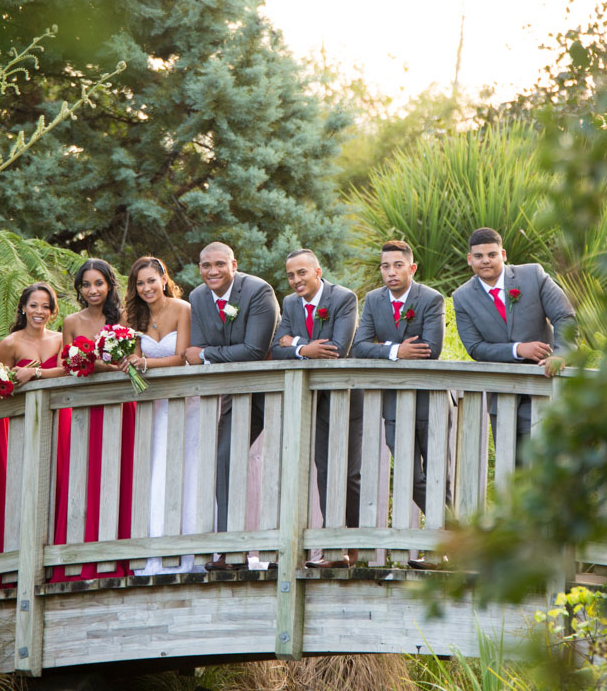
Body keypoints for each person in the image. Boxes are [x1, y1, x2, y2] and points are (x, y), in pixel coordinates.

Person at [182, 241, 280, 570]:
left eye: (219, 264)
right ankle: (229, 549)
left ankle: (278, 548)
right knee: (225, 458)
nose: (212, 271)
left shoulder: (258, 292)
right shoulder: (197, 297)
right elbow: (195, 346)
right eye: (206, 265)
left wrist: (209, 355)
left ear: (234, 265)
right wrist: (205, 352)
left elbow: (254, 350)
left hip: (273, 392)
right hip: (236, 396)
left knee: (281, 464)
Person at [452, 227, 576, 462]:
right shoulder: (462, 297)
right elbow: (476, 347)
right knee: (510, 469)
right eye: (478, 256)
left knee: (547, 465)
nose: (485, 261)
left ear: (504, 254)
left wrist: (562, 353)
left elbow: (564, 316)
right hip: (503, 397)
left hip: (545, 388)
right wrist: (517, 349)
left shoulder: (533, 275)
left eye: (492, 254)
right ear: (470, 260)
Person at [273, 248, 363, 567]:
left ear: (318, 271)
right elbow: (274, 347)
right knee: (324, 470)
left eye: (302, 273)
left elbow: (337, 348)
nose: (296, 280)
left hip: (346, 395)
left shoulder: (343, 299)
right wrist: (304, 348)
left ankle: (352, 547)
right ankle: (330, 547)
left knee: (350, 473)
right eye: (290, 275)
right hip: (313, 398)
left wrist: (294, 344)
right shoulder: (289, 303)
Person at [353, 239, 446, 517]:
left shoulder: (431, 299)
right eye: (385, 267)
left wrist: (382, 349)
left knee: (440, 477)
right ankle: (456, 533)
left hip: (432, 401)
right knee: (408, 474)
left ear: (412, 268)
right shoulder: (373, 300)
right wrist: (397, 350)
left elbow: (430, 349)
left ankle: (445, 549)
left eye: (397, 265)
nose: (391, 272)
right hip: (394, 400)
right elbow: (359, 347)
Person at [123, 256, 202, 577]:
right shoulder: (132, 316)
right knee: (155, 470)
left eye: (151, 281)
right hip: (152, 404)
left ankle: (192, 554)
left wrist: (143, 364)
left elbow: (181, 356)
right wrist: (131, 360)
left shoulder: (183, 309)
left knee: (188, 470)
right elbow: (130, 355)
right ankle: (154, 553)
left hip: (185, 403)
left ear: (164, 278)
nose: (146, 288)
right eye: (140, 283)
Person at [58, 258, 136, 580]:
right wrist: (90, 363)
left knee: (119, 475)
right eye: (86, 285)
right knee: (83, 477)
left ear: (109, 285)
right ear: (79, 288)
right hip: (83, 410)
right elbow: (67, 364)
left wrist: (107, 364)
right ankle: (78, 557)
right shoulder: (70, 322)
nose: (93, 290)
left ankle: (121, 557)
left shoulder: (125, 317)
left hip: (119, 407)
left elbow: (132, 360)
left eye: (99, 283)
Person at [0, 282, 67, 585]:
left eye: (46, 306)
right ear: (23, 307)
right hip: (24, 424)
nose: (39, 312)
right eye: (34, 305)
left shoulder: (61, 339)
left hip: (62, 419)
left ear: (53, 311)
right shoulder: (9, 344)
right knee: (27, 486)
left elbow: (69, 369)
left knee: (60, 483)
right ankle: (21, 561)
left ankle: (57, 561)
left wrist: (34, 372)